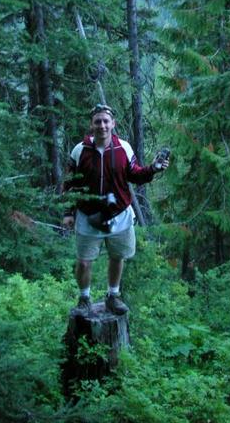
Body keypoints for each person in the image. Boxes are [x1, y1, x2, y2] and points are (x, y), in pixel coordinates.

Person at [63, 103, 169, 316]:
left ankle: (113, 296)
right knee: (84, 262)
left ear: (113, 123)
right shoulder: (79, 150)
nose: (102, 125)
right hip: (88, 216)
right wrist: (68, 212)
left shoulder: (124, 148)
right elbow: (69, 183)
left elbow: (135, 174)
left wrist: (153, 169)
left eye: (105, 121)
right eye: (97, 121)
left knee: (117, 257)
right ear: (91, 125)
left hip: (119, 215)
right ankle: (84, 299)